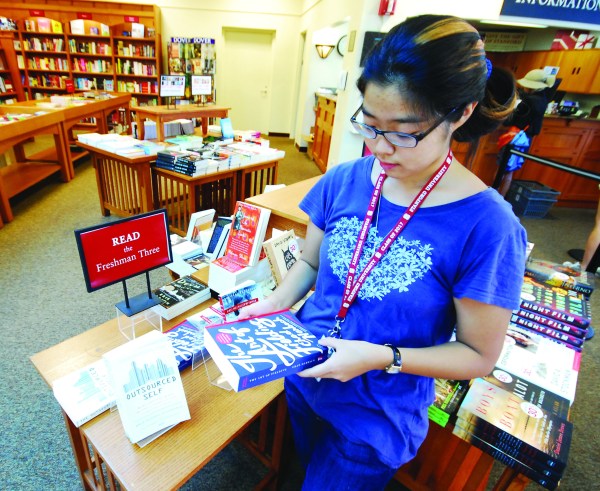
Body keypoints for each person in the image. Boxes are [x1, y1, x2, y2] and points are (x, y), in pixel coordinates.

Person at [241, 15, 527, 490]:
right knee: (300, 470)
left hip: (375, 417)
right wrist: (274, 302)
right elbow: (311, 262)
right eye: (369, 125)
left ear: (459, 114)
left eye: (403, 132)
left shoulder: (489, 226)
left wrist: (381, 357)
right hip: (304, 376)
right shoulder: (345, 179)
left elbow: (478, 354)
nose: (379, 147)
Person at [497, 69, 556, 196]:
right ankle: (499, 198)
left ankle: (497, 197)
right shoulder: (543, 100)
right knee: (509, 171)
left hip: (516, 138)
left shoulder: (528, 101)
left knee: (503, 170)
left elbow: (509, 120)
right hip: (525, 139)